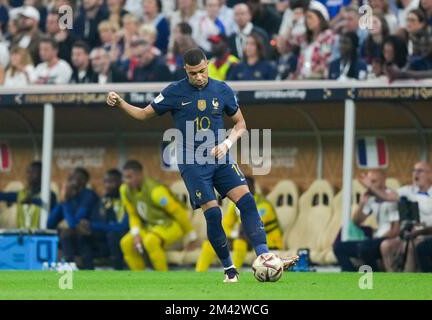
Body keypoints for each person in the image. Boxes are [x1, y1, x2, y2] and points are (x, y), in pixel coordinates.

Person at [106, 47, 299, 282]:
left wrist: (227, 144)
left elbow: (240, 124)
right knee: (214, 215)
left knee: (247, 201)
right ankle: (229, 270)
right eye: (193, 73)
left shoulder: (222, 89)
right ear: (185, 71)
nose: (199, 77)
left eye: (202, 71)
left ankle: (265, 256)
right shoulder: (174, 92)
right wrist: (121, 104)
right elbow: (144, 114)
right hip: (193, 164)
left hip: (220, 157)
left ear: (207, 65)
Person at [359, 161, 432, 272]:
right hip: (408, 234)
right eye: (413, 170)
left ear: (429, 174)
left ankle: (407, 282)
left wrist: (418, 232)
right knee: (386, 245)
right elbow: (387, 196)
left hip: (428, 236)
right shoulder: (408, 191)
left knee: (411, 247)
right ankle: (393, 282)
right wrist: (370, 187)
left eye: (419, 171)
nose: (415, 174)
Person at [117, 160, 198, 271]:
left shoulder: (156, 191)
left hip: (171, 225)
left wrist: (191, 236)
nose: (126, 181)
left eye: (129, 177)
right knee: (126, 243)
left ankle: (162, 278)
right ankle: (138, 280)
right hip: (151, 226)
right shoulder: (124, 190)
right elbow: (133, 214)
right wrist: (136, 234)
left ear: (140, 175)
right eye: (125, 177)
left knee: (151, 241)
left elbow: (178, 212)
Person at [196, 176, 283, 271]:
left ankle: (233, 273)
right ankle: (199, 273)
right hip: (244, 238)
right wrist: (225, 237)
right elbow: (225, 225)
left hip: (268, 242)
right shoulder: (235, 203)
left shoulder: (263, 204)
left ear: (251, 188)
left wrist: (235, 235)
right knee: (212, 243)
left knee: (240, 242)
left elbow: (253, 228)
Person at [333, 170, 400, 272]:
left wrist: (376, 240)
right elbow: (356, 221)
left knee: (365, 247)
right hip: (373, 240)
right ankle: (349, 278)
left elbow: (394, 231)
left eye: (374, 182)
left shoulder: (391, 198)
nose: (370, 185)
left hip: (386, 239)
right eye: (369, 182)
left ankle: (376, 277)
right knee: (339, 247)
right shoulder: (372, 198)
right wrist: (361, 204)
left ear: (382, 182)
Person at [47, 167, 100, 269]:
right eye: (70, 178)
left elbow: (74, 224)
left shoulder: (89, 195)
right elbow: (50, 223)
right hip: (75, 237)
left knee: (69, 233)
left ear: (84, 181)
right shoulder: (70, 195)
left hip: (92, 235)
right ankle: (66, 266)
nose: (71, 181)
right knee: (59, 233)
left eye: (74, 178)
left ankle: (71, 268)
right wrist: (62, 200)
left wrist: (66, 202)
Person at [77, 169, 129, 270]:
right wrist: (87, 226)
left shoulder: (126, 200)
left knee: (113, 235)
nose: (107, 185)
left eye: (111, 182)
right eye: (105, 182)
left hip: (121, 239)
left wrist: (94, 225)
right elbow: (96, 221)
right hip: (104, 241)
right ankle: (88, 274)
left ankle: (118, 274)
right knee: (84, 236)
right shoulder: (103, 201)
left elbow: (124, 226)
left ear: (121, 183)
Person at [0, 161, 57, 229]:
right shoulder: (21, 194)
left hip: (41, 237)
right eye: (28, 172)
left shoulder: (50, 196)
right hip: (22, 236)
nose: (29, 175)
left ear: (42, 175)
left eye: (33, 172)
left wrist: (32, 201)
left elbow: (46, 204)